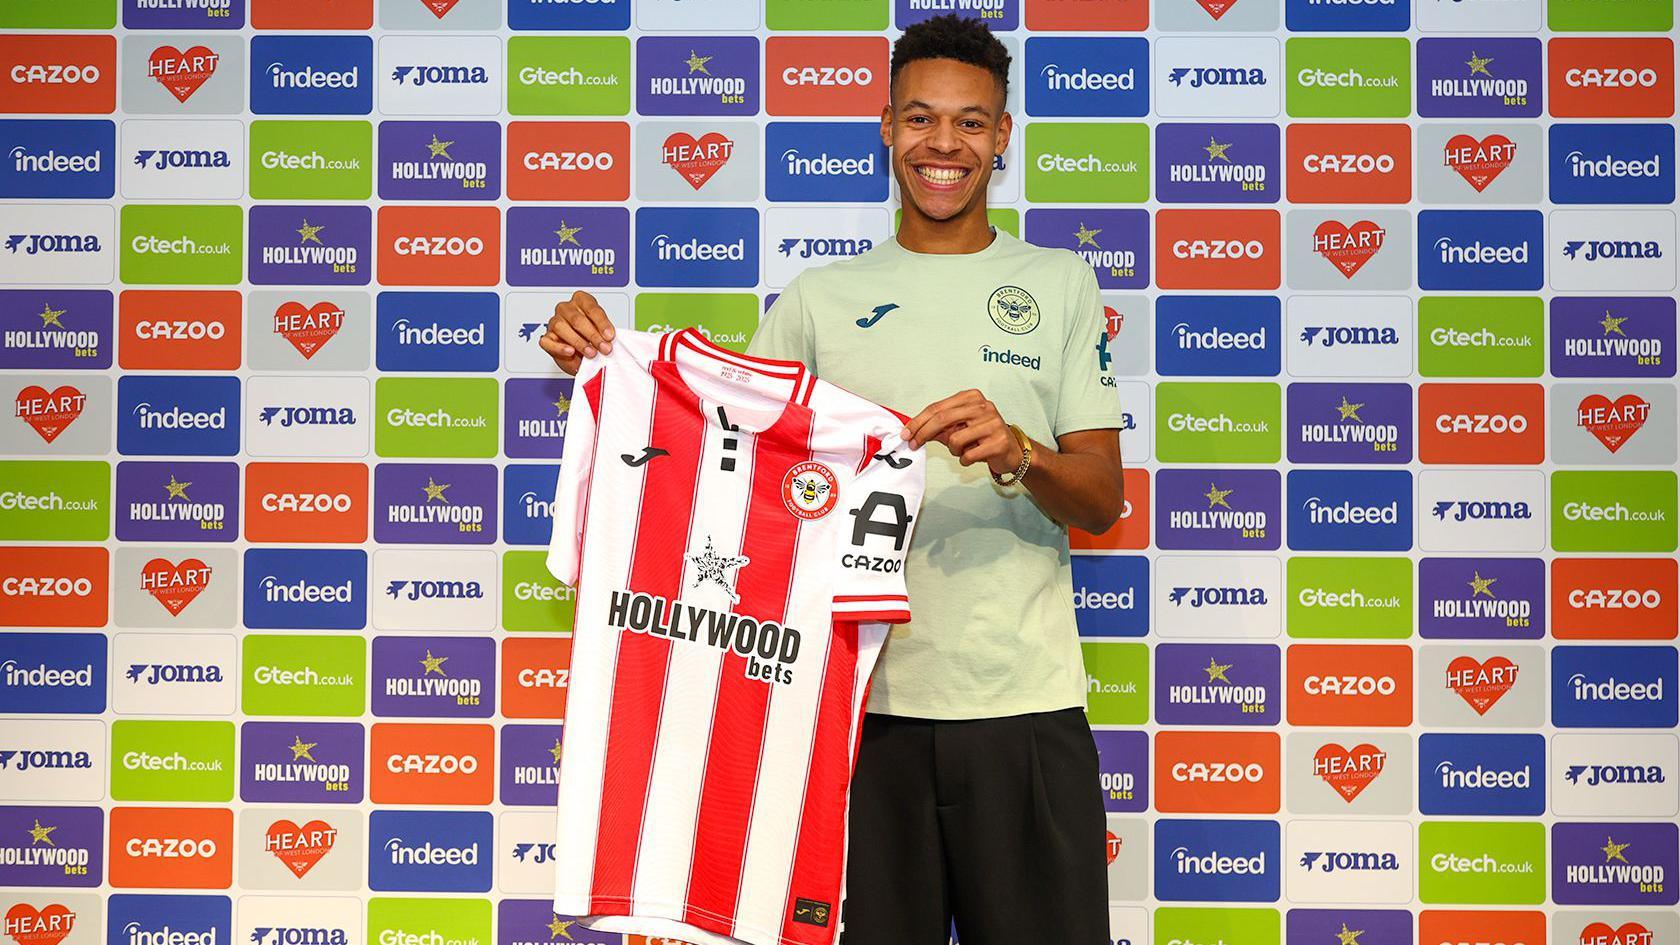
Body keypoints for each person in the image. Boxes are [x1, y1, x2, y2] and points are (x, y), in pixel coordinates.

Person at [541, 14, 1125, 945]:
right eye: (921, 118)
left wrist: (1020, 450)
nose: (945, 144)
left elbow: (1103, 498)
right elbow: (730, 466)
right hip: (844, 717)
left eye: (971, 122)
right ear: (886, 128)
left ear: (1004, 136)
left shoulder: (1060, 282)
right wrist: (611, 368)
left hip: (1020, 705)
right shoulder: (818, 299)